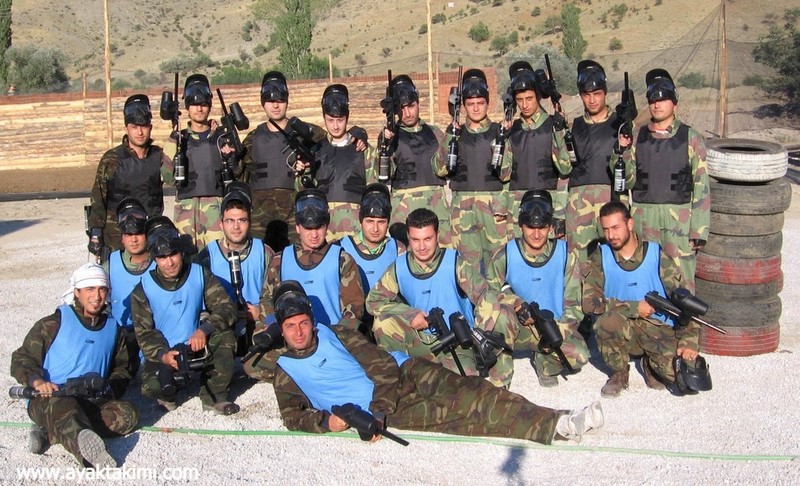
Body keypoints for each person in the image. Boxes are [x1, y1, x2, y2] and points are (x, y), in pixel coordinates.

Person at [272, 280, 604, 445]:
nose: (299, 332)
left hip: (405, 375)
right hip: (396, 412)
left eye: (303, 323)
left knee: (476, 393)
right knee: (466, 422)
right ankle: (555, 429)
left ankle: (558, 420)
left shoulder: (335, 333)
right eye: (290, 326)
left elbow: (381, 365)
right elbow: (292, 416)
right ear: (281, 330)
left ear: (311, 320)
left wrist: (379, 410)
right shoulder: (285, 372)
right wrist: (326, 422)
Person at [366, 208, 520, 388]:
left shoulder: (454, 263)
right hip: (423, 341)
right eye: (415, 240)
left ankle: (499, 384)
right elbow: (373, 301)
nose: (421, 247)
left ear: (437, 235)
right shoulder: (399, 267)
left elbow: (485, 296)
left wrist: (479, 335)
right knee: (382, 323)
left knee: (465, 389)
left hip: (459, 344)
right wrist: (409, 314)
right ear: (408, 237)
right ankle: (399, 379)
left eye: (427, 239)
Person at [10, 263, 138, 469]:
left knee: (127, 415)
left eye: (102, 289)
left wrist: (109, 388)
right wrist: (37, 381)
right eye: (90, 289)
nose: (96, 296)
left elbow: (123, 368)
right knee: (67, 408)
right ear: (77, 292)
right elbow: (21, 358)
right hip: (51, 398)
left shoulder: (114, 328)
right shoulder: (53, 324)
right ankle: (92, 457)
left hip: (91, 399)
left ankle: (49, 433)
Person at [582, 201, 699, 398]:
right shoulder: (600, 257)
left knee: (686, 377)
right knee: (606, 322)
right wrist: (634, 308)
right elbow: (589, 303)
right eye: (606, 229)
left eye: (616, 227)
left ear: (630, 224)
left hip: (656, 329)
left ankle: (650, 365)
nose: (611, 235)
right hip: (621, 329)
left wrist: (689, 341)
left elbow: (684, 302)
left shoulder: (656, 254)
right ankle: (619, 372)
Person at [131, 216, 240, 414]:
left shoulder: (199, 273)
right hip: (167, 351)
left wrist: (204, 329)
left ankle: (214, 395)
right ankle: (169, 396)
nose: (169, 262)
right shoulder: (143, 289)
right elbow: (144, 333)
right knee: (151, 387)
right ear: (154, 259)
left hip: (198, 345)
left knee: (226, 338)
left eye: (173, 254)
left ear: (181, 252)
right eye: (162, 257)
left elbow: (226, 308)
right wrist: (163, 355)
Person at [614, 69, 710, 290]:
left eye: (663, 99)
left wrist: (699, 230)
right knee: (643, 279)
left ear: (674, 102)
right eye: (652, 100)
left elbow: (701, 186)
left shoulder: (691, 138)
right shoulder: (636, 137)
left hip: (679, 221)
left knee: (682, 283)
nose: (657, 104)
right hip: (643, 218)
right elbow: (626, 181)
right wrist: (621, 151)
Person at [487, 190, 590, 387]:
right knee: (499, 316)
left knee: (579, 356)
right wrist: (516, 303)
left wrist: (555, 334)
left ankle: (544, 361)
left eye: (542, 227)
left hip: (553, 327)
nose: (536, 234)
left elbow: (574, 306)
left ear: (550, 227)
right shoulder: (505, 255)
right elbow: (489, 294)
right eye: (530, 227)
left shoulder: (567, 255)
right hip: (517, 328)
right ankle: (501, 376)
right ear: (520, 226)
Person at [239, 71, 326, 250]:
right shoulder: (252, 139)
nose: (276, 105)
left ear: (287, 100)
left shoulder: (307, 133)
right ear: (263, 103)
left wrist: (359, 135)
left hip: (295, 217)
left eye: (280, 100)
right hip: (260, 220)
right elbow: (240, 175)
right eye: (270, 101)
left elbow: (336, 140)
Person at [434, 68, 513, 266]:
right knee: (465, 268)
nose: (476, 108)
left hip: (492, 209)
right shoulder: (455, 134)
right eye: (470, 104)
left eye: (480, 103)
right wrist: (450, 135)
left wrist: (501, 140)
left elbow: (506, 174)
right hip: (462, 212)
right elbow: (439, 169)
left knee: (497, 265)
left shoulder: (498, 132)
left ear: (488, 103)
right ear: (463, 106)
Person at [258, 189, 365, 330]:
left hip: (334, 335)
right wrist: (275, 328)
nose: (314, 235)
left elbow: (354, 304)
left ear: (326, 226)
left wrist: (341, 333)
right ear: (298, 227)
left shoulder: (342, 260)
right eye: (308, 228)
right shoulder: (279, 261)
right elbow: (266, 301)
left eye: (319, 227)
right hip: (292, 337)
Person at [195, 182, 275, 353]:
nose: (236, 227)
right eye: (230, 220)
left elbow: (276, 293)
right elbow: (198, 301)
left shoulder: (264, 252)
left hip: (257, 323)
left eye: (242, 220)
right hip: (221, 325)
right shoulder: (207, 255)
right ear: (221, 223)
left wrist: (260, 312)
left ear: (250, 222)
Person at [88, 94, 170, 259]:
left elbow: (177, 176)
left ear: (150, 127)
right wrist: (96, 233)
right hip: (116, 238)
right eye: (134, 127)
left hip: (149, 235)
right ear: (126, 128)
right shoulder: (112, 159)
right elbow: (98, 198)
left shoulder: (159, 156)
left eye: (144, 126)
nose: (139, 132)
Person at [162, 74, 237, 250]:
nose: (199, 108)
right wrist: (173, 140)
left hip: (215, 212)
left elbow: (237, 173)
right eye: (194, 104)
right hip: (186, 213)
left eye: (203, 104)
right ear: (187, 107)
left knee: (217, 256)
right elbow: (167, 177)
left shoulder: (221, 137)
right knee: (186, 258)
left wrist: (231, 156)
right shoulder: (179, 139)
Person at [381, 74, 451, 246]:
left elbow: (444, 170)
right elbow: (384, 175)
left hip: (436, 208)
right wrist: (385, 146)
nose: (407, 113)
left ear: (418, 103)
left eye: (411, 106)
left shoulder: (435, 133)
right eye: (401, 108)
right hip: (404, 210)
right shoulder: (390, 137)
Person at [505, 61, 571, 240]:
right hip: (517, 206)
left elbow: (565, 170)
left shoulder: (553, 125)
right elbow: (504, 176)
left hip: (548, 203)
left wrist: (559, 213)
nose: (524, 105)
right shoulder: (511, 130)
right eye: (520, 100)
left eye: (529, 98)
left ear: (538, 97)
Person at [563, 60, 618, 252]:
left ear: (605, 93)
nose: (592, 100)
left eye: (597, 94)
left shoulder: (621, 125)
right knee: (579, 260)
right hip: (579, 206)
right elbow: (564, 170)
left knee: (613, 259)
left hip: (612, 202)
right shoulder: (573, 127)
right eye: (587, 95)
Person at [312, 83, 379, 241]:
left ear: (347, 117)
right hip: (324, 227)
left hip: (355, 227)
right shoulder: (316, 150)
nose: (335, 126)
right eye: (330, 120)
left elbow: (374, 190)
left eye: (340, 120)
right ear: (324, 117)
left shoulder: (363, 149)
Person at [337, 184, 406, 335]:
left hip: (387, 324)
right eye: (370, 221)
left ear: (388, 222)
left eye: (381, 222)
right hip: (352, 324)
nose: (375, 229)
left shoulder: (398, 249)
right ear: (360, 220)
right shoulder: (340, 247)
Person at [103, 197, 155, 375]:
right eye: (128, 235)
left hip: (154, 335)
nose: (134, 240)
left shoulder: (162, 262)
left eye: (138, 234)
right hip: (122, 339)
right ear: (122, 238)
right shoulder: (110, 265)